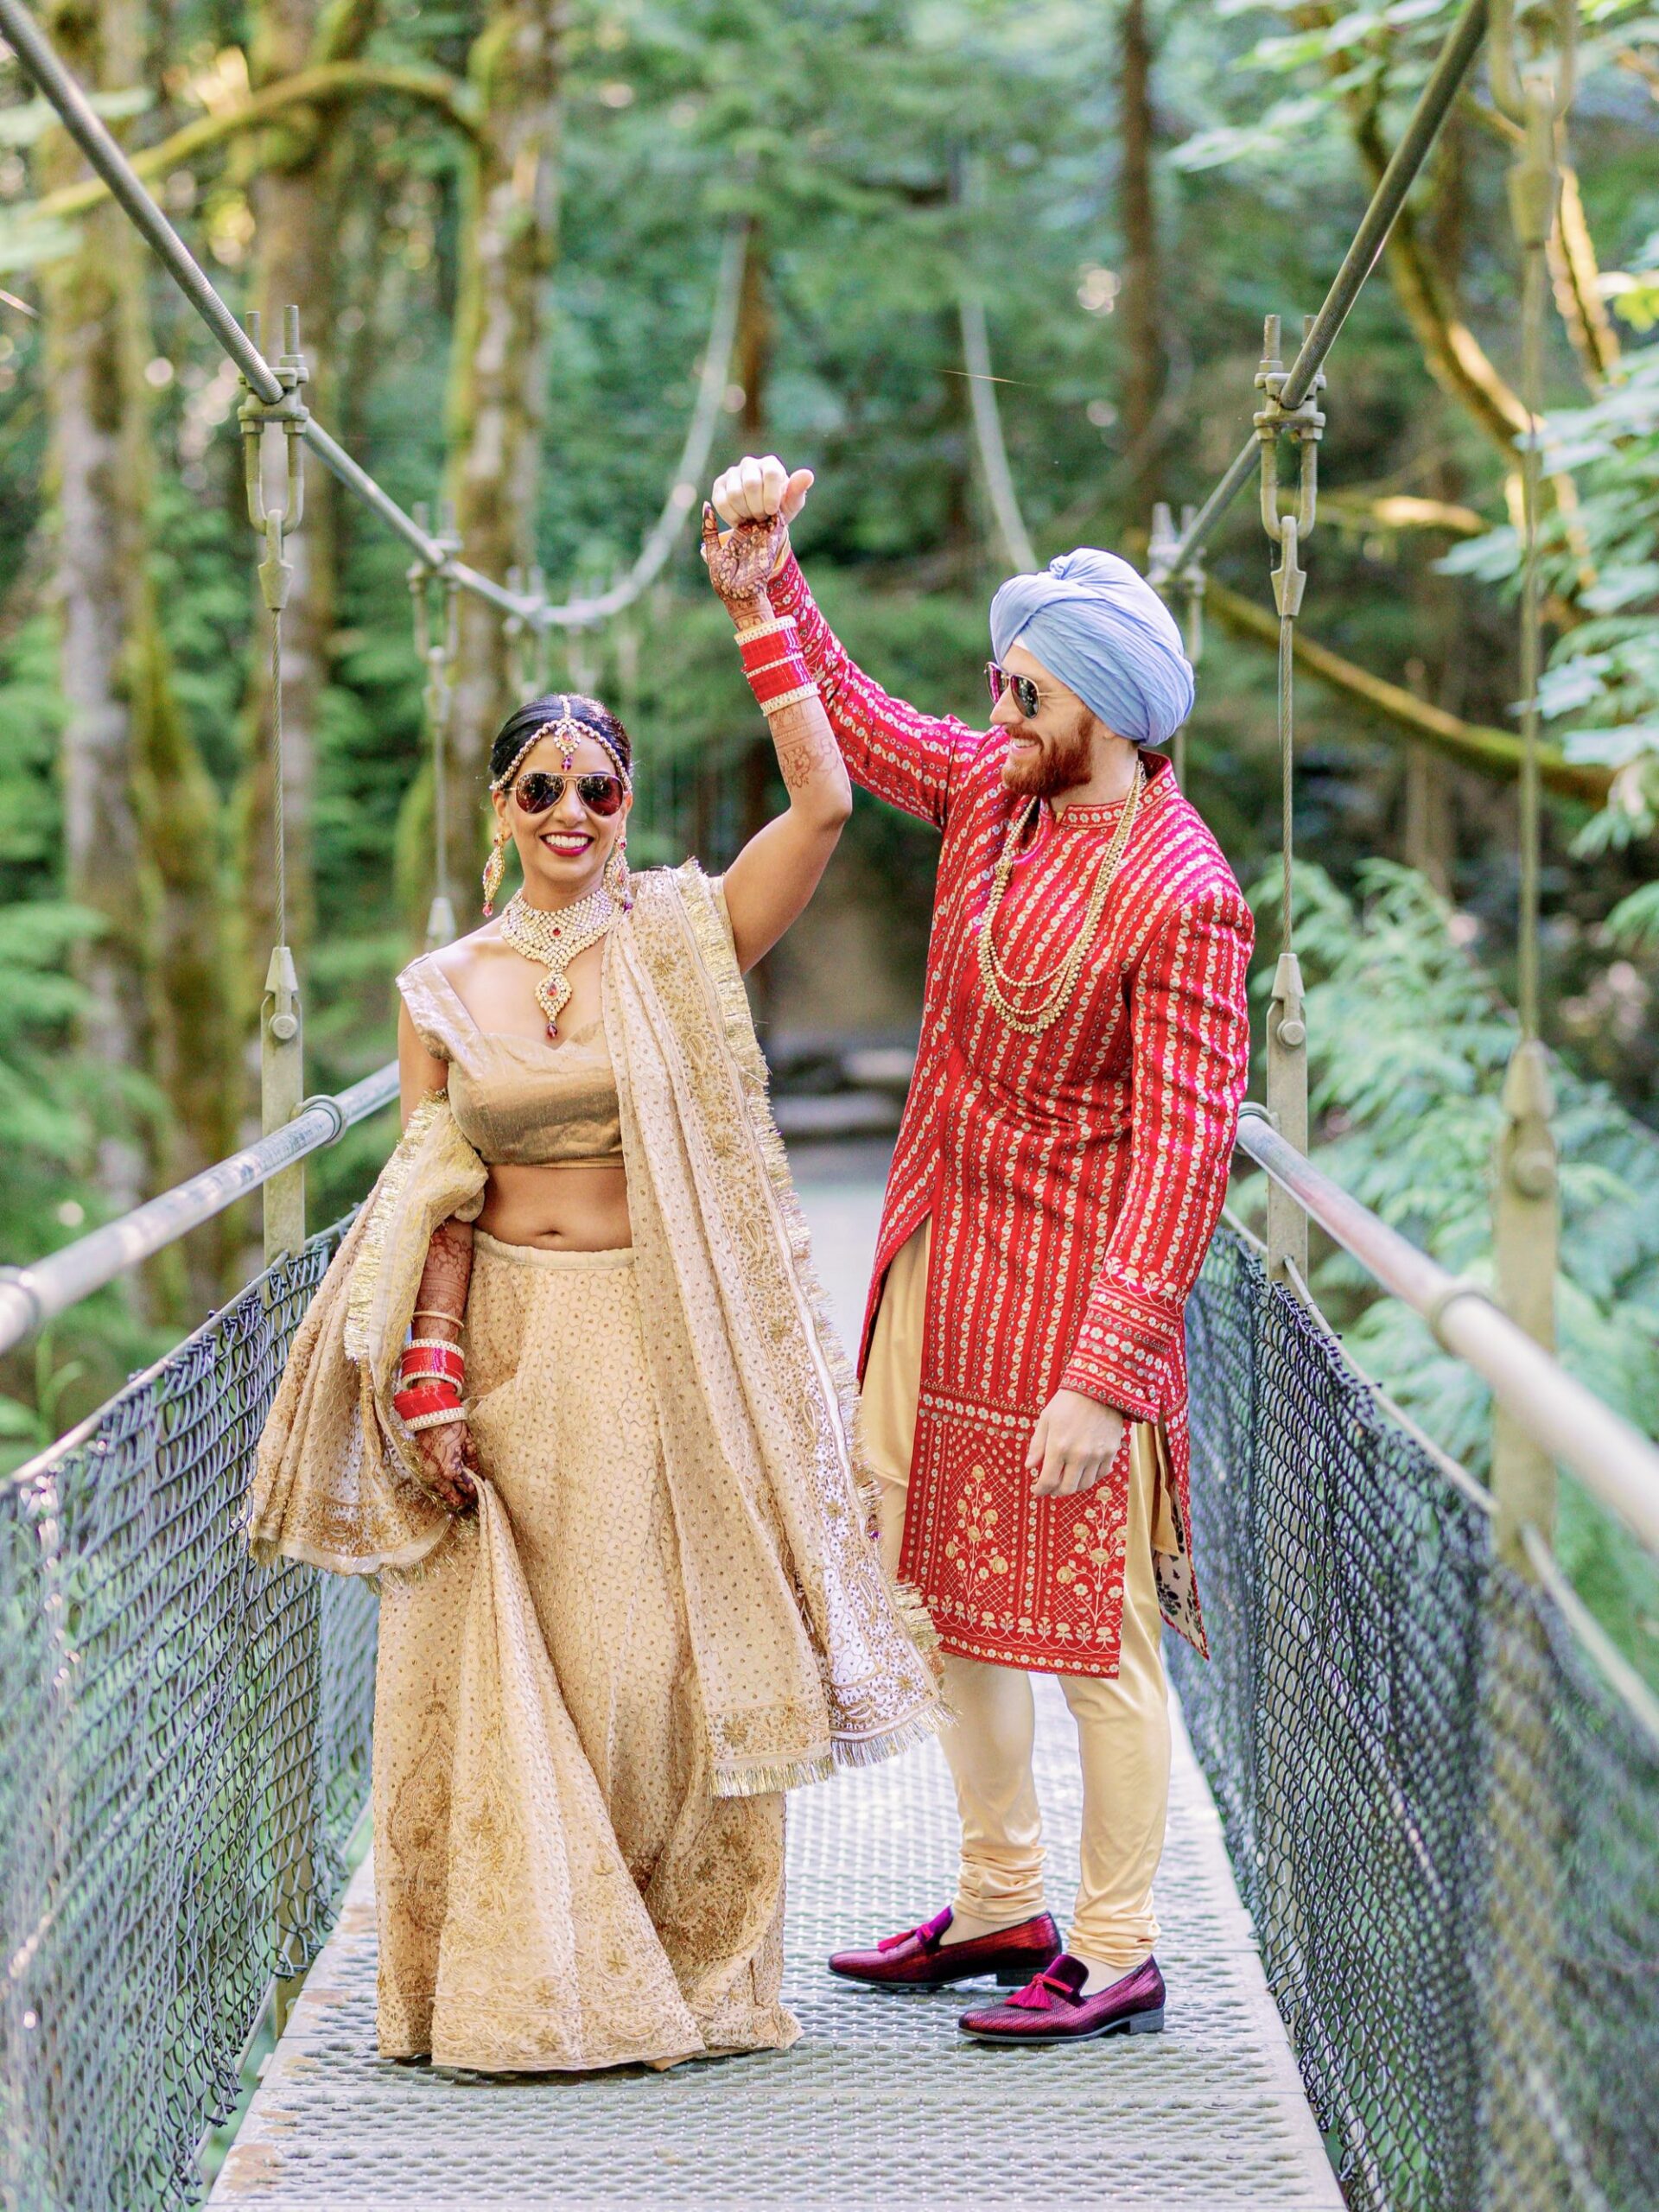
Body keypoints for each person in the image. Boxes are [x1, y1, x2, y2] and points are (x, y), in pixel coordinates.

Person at [248, 513, 940, 2075]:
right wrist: (425, 1366)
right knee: (519, 1653)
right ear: (501, 810)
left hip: (652, 1338)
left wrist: (762, 611)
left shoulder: (683, 941)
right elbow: (430, 1178)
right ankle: (520, 1971)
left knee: (648, 1664)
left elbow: (825, 803)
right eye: (543, 787)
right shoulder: (443, 986)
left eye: (600, 788)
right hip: (498, 1337)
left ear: (625, 806)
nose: (574, 811)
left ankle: (669, 1954)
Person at [705, 453, 1253, 2046]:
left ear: (1106, 705)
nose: (999, 697)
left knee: (1101, 1629)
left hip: (1079, 1296)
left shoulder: (1186, 893)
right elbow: (865, 729)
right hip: (945, 1255)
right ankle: (1004, 1900)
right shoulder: (998, 792)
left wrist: (1108, 1377)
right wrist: (770, 584)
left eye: (1028, 682)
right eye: (1004, 676)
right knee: (941, 1592)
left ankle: (1122, 1945)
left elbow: (1186, 1152)